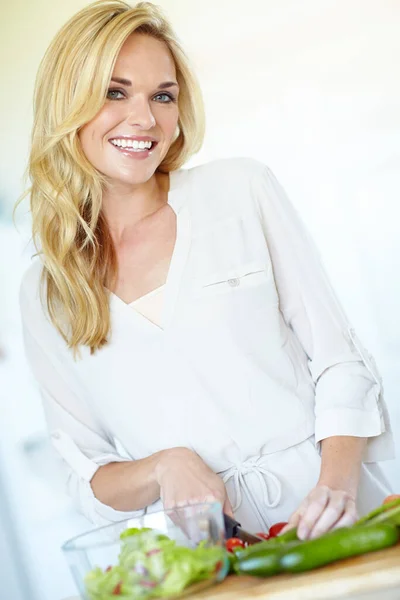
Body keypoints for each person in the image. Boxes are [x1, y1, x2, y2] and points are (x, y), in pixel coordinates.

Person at [19, 0, 394, 541]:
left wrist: (335, 489)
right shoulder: (47, 291)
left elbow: (341, 362)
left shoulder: (240, 191)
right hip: (213, 554)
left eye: (162, 96)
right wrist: (162, 465)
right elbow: (87, 477)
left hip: (335, 518)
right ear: (66, 103)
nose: (145, 118)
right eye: (114, 91)